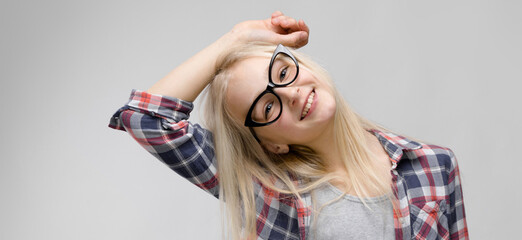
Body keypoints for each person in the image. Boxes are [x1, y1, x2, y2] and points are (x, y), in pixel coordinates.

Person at [109, 11, 468, 240]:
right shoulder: (266, 190)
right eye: (267, 106)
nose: (290, 94)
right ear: (270, 143)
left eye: (283, 73)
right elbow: (147, 118)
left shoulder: (434, 166)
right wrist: (233, 41)